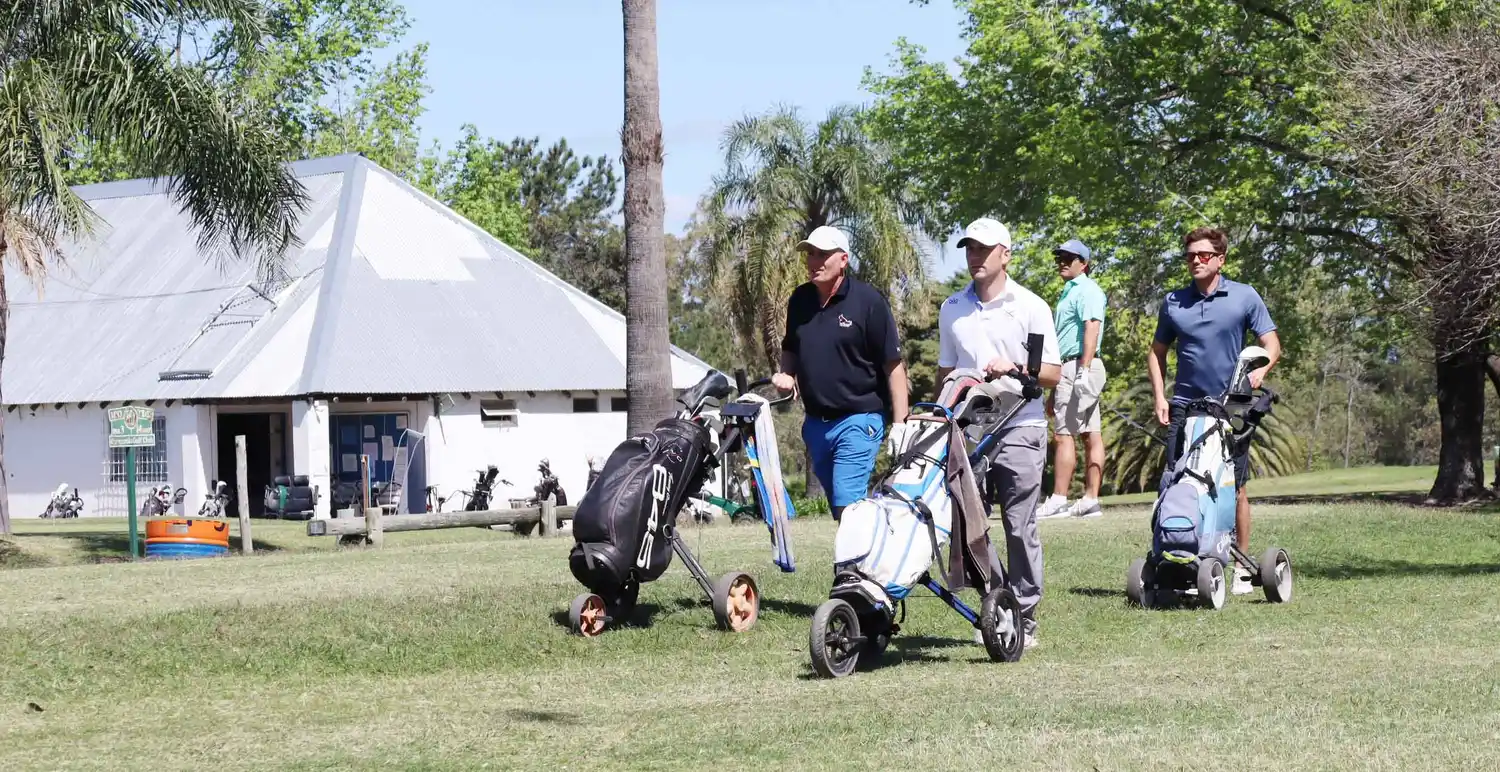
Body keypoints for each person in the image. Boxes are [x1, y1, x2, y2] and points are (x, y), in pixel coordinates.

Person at [936, 217, 1061, 649]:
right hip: (970, 431)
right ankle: (998, 605)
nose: (975, 256)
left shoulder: (1030, 306)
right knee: (970, 526)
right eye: (969, 248)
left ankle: (1024, 617)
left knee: (1018, 525)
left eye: (983, 249)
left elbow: (1052, 374)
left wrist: (1016, 368)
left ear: (1005, 254)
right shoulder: (952, 308)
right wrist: (940, 417)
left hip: (1021, 427)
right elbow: (947, 372)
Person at [1148, 226, 1281, 594]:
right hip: (1183, 407)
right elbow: (1156, 352)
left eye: (1204, 255)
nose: (1195, 260)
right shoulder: (1174, 302)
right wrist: (1161, 397)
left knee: (1233, 486)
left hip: (1232, 407)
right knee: (1176, 480)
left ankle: (1239, 564)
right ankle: (1177, 557)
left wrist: (1260, 373)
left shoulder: (1243, 296)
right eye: (1190, 255)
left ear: (1220, 259)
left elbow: (1271, 344)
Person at [772, 225, 910, 522]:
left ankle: (851, 568)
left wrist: (901, 424)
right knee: (842, 506)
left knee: (847, 503)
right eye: (810, 254)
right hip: (816, 425)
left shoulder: (868, 302)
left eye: (823, 254)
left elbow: (893, 365)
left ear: (843, 260)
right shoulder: (800, 300)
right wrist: (786, 374)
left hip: (859, 419)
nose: (813, 261)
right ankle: (877, 552)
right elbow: (791, 348)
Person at [1037, 239, 1109, 520]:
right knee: (1091, 434)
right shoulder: (1069, 292)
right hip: (1072, 367)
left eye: (1070, 257)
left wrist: (1084, 369)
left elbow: (1092, 326)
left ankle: (1058, 499)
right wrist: (1056, 388)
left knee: (1063, 434)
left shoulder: (1087, 290)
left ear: (1084, 263)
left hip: (1080, 364)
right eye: (1060, 257)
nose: (1063, 262)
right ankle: (1091, 499)